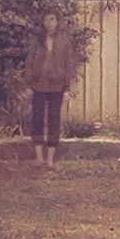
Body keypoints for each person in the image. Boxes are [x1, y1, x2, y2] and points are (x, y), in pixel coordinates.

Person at [24, 11, 76, 168]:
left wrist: (67, 88)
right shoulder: (37, 40)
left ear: (57, 21)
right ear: (43, 21)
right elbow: (30, 62)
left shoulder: (64, 41)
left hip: (57, 86)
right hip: (38, 85)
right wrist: (28, 85)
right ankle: (39, 158)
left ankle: (50, 159)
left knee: (54, 119)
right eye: (46, 19)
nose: (49, 22)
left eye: (52, 19)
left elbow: (69, 65)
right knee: (37, 119)